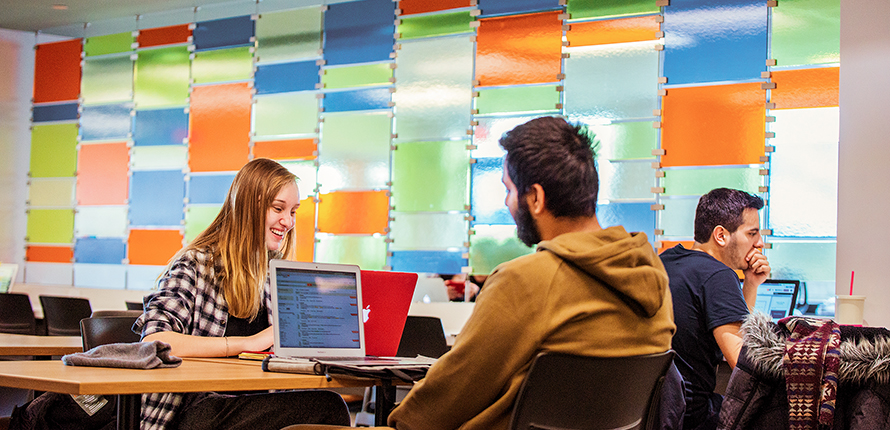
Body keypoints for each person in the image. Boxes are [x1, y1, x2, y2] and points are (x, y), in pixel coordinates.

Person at [387, 116, 676, 430]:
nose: (507, 202)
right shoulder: (651, 274)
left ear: (536, 198)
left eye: (509, 189)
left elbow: (444, 400)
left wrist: (397, 420)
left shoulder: (527, 279)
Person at [133, 158, 349, 430]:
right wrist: (248, 343)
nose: (288, 221)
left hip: (254, 402)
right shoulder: (196, 264)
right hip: (195, 409)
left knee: (326, 404)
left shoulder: (275, 276)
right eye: (278, 208)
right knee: (326, 407)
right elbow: (155, 341)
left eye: (293, 211)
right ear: (249, 207)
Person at [658, 188, 770, 430]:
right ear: (721, 235)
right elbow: (742, 363)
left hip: (659, 414)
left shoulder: (666, 260)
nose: (760, 243)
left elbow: (726, 332)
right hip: (693, 417)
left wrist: (750, 284)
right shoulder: (718, 275)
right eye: (752, 233)